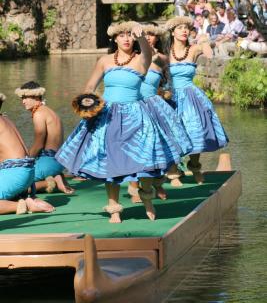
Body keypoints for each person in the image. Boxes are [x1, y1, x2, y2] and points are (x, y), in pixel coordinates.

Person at [56, 22, 185, 223]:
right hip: (108, 116)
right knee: (111, 162)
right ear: (114, 39)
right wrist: (88, 101)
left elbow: (146, 52)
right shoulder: (104, 61)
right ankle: (114, 208)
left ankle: (147, 196)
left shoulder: (142, 60)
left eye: (128, 35)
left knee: (146, 160)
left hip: (136, 115)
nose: (126, 38)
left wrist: (141, 36)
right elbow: (90, 85)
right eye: (121, 35)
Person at [128, 23, 193, 202]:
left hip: (155, 106)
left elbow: (167, 81)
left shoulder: (161, 58)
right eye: (145, 34)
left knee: (159, 145)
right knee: (136, 145)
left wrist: (165, 92)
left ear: (157, 37)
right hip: (134, 106)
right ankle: (134, 186)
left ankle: (158, 181)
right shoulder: (129, 58)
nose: (148, 37)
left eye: (151, 34)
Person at [164, 16, 229, 184]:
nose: (184, 31)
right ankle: (173, 171)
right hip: (169, 96)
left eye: (186, 28)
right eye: (180, 28)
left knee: (195, 130)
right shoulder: (164, 52)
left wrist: (204, 40)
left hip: (190, 96)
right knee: (172, 133)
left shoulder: (193, 49)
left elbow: (208, 54)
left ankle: (194, 166)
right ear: (172, 32)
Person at [15, 81, 74, 195]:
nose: (23, 101)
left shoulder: (39, 114)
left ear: (36, 96)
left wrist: (25, 162)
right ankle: (56, 175)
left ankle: (49, 183)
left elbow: (39, 145)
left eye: (26, 98)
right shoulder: (48, 111)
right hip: (58, 161)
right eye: (22, 98)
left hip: (49, 161)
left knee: (18, 186)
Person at [0, 92, 54, 215]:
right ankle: (27, 199)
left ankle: (24, 205)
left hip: (15, 174)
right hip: (26, 174)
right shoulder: (5, 119)